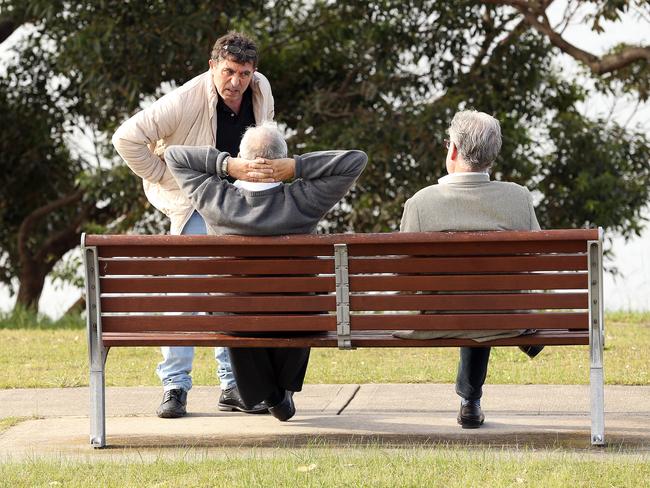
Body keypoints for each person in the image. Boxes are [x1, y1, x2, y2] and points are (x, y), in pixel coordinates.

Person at [112, 31, 275, 418]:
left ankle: (232, 384)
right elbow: (126, 138)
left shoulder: (261, 89)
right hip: (195, 203)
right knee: (187, 294)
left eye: (245, 73)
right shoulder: (184, 100)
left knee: (232, 293)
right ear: (212, 67)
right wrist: (167, 177)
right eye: (229, 72)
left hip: (239, 203)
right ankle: (175, 387)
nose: (237, 82)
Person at [165, 123, 367, 421]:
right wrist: (297, 167)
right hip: (299, 316)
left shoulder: (218, 200)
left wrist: (228, 165)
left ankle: (269, 393)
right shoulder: (303, 200)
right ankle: (279, 391)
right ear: (282, 160)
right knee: (305, 302)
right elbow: (355, 160)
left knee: (235, 307)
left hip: (236, 318)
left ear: (242, 157)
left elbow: (174, 156)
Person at [399, 110, 541, 429]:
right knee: (484, 299)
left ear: (452, 150)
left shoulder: (420, 204)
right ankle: (471, 398)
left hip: (436, 319)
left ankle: (470, 397)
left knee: (469, 298)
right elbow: (533, 262)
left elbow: (406, 284)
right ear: (492, 157)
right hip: (505, 319)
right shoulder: (518, 198)